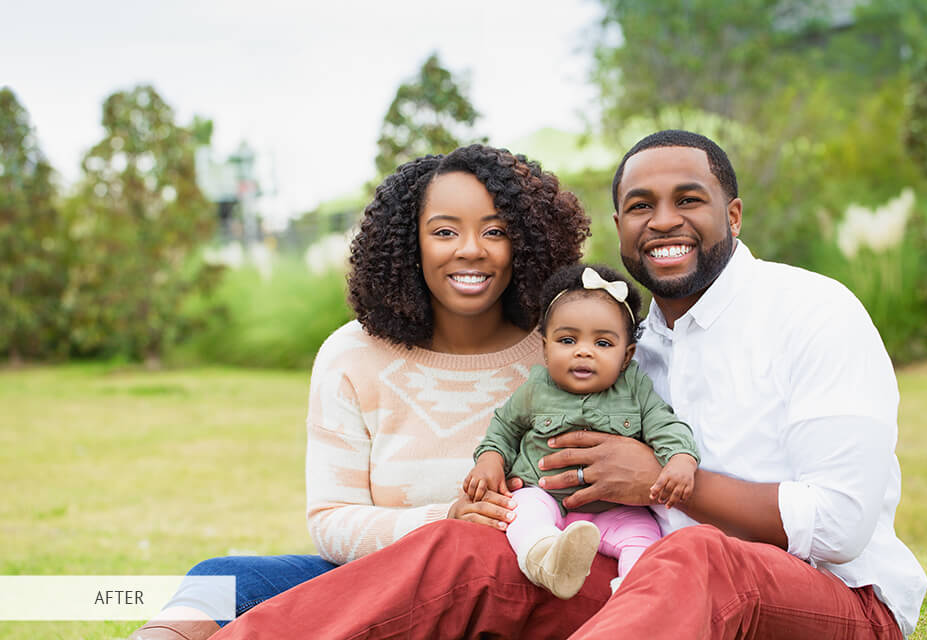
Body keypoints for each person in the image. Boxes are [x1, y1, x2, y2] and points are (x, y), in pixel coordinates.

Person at [208, 130, 927, 640]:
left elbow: (840, 526)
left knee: (696, 553)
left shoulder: (812, 311)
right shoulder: (621, 344)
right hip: (644, 594)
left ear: (732, 215)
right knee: (470, 552)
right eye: (641, 206)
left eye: (689, 199)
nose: (664, 221)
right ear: (619, 226)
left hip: (829, 605)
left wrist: (661, 485)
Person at [127, 144, 590, 640]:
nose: (471, 249)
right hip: (382, 582)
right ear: (409, 243)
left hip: (514, 589)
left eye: (494, 231)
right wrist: (446, 520)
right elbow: (330, 520)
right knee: (223, 581)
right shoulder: (351, 355)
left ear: (525, 242)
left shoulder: (562, 352)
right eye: (444, 232)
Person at [464, 262, 698, 600]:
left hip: (613, 508)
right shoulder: (535, 389)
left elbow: (664, 424)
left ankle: (633, 597)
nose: (583, 351)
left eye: (602, 343)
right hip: (543, 494)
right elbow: (503, 428)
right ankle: (547, 560)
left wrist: (680, 459)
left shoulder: (635, 389)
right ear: (546, 348)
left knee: (643, 538)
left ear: (627, 355)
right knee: (519, 514)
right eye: (567, 340)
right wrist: (490, 460)